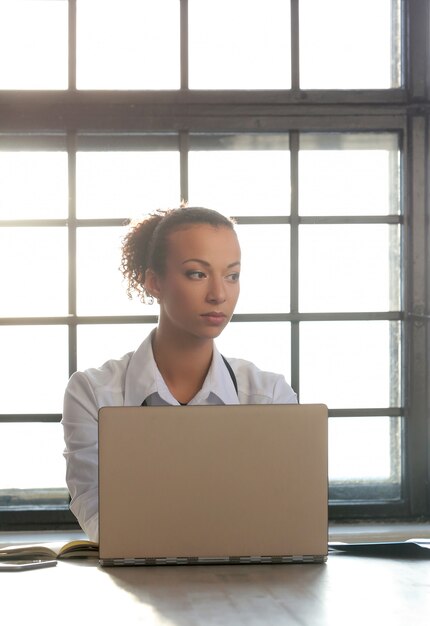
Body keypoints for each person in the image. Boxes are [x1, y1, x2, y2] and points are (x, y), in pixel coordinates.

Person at [62, 206, 297, 542]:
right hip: (134, 582)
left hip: (245, 583)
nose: (219, 294)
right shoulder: (92, 392)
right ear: (154, 281)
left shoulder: (270, 395)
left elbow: (284, 513)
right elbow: (95, 510)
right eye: (197, 274)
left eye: (231, 275)